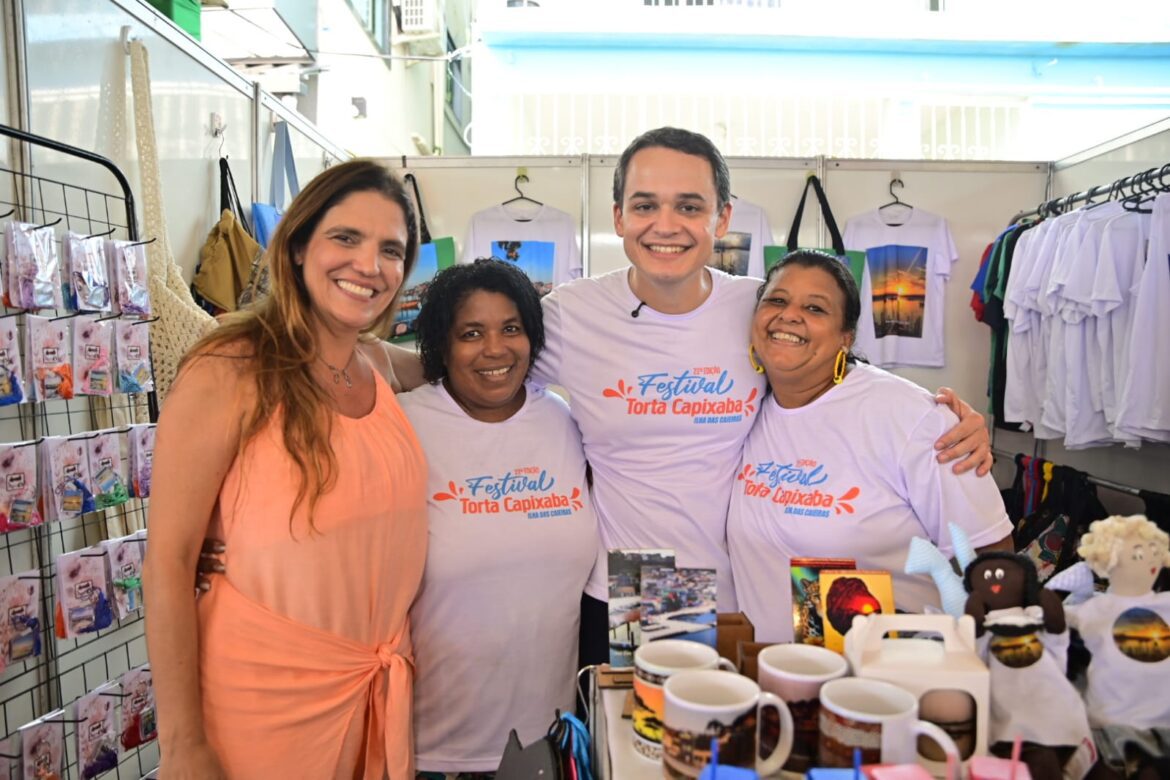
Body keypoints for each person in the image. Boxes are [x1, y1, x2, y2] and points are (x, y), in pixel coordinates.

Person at [385, 127, 991, 660]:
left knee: (773, 730)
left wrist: (938, 419)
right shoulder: (572, 314)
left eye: (689, 205)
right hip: (643, 580)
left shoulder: (759, 307)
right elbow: (479, 370)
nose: (666, 224)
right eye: (645, 204)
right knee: (654, 739)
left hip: (759, 582)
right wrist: (361, 363)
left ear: (721, 219)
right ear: (618, 217)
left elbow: (834, 373)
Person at [143, 159, 428, 780]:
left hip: (372, 699)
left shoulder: (380, 367)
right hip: (261, 705)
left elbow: (465, 364)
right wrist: (183, 746)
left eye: (391, 250)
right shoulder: (230, 367)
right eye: (346, 237)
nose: (369, 265)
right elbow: (167, 562)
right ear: (298, 246)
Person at [727, 249, 1014, 642]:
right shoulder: (742, 407)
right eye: (777, 300)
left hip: (890, 669)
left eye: (815, 308)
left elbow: (991, 554)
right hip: (771, 665)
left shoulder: (912, 417)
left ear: (846, 337)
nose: (789, 315)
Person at [397, 259, 602, 777]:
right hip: (434, 748)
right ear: (442, 345)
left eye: (511, 328)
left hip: (548, 740)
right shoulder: (405, 425)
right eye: (471, 333)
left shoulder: (563, 420)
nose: (495, 349)